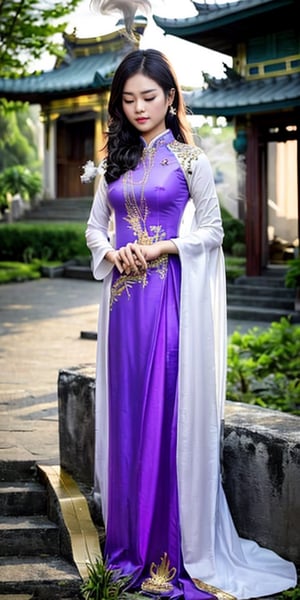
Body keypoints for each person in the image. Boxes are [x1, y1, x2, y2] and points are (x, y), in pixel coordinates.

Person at [85, 48, 297, 600]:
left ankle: (165, 550)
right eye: (128, 99)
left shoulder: (189, 161)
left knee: (161, 416)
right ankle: (126, 545)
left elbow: (211, 231)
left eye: (148, 97)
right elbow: (93, 229)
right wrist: (112, 253)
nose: (138, 107)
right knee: (125, 416)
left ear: (170, 98)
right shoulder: (112, 161)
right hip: (120, 308)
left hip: (165, 304)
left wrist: (162, 248)